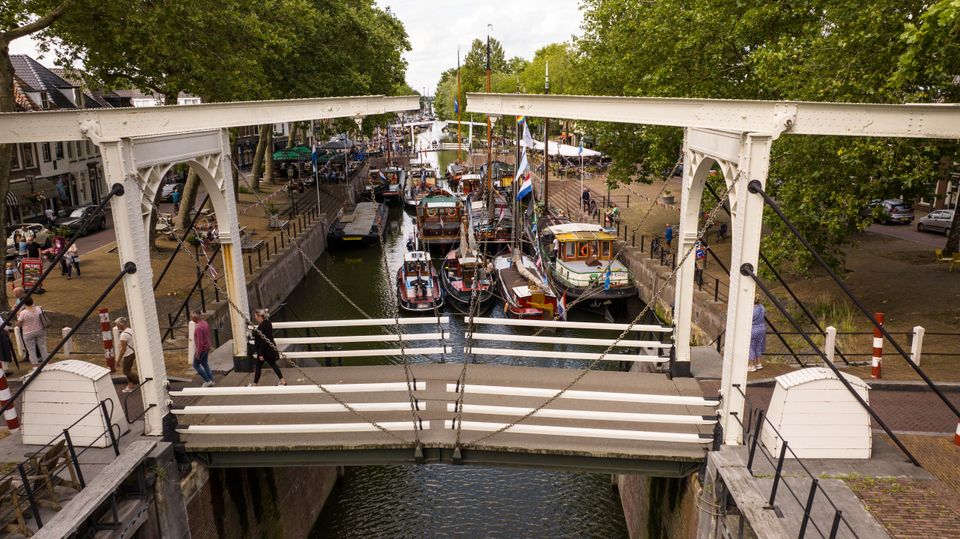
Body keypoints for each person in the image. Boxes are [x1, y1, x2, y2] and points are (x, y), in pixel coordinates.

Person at [248, 308, 286, 386]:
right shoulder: (268, 323)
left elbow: (262, 341)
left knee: (258, 367)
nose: (255, 318)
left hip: (264, 351)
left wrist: (261, 353)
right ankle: (282, 381)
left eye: (256, 316)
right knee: (273, 365)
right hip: (270, 349)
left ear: (260, 316)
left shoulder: (261, 326)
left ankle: (255, 384)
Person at [16, 297, 47, 367]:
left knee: (31, 349)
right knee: (42, 346)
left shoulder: (23, 313)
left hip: (28, 333)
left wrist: (18, 315)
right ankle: (46, 362)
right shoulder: (39, 309)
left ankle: (35, 365)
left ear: (24, 303)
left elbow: (19, 324)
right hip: (40, 330)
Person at [115, 317, 139, 392]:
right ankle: (130, 386)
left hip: (128, 354)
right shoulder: (130, 330)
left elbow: (123, 349)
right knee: (127, 370)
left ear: (122, 324)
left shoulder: (123, 335)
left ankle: (140, 379)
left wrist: (118, 360)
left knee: (126, 371)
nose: (116, 326)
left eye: (117, 324)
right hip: (132, 352)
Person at [190, 312, 215, 387]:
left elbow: (200, 342)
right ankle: (212, 380)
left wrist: (198, 352)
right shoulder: (205, 323)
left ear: (195, 318)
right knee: (204, 364)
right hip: (207, 347)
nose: (191, 318)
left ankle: (207, 381)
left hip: (202, 349)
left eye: (191, 317)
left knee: (196, 365)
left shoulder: (198, 328)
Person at [748, 299, 766, 372]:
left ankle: (751, 365)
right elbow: (765, 313)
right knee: (759, 345)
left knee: (751, 346)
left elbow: (749, 318)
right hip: (762, 328)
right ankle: (758, 363)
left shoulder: (752, 310)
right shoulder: (762, 307)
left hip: (753, 329)